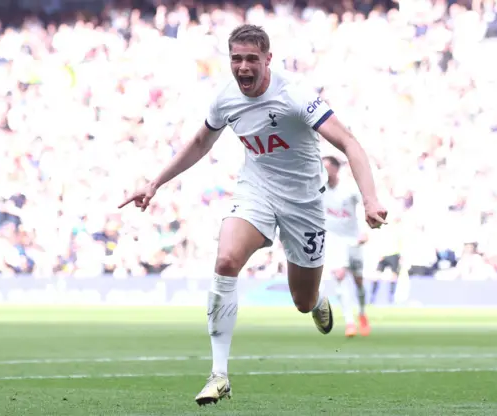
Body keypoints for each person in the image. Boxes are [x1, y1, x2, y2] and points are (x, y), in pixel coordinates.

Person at [118, 24, 387, 406]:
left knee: (302, 300)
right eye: (236, 59)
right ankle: (219, 374)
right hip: (256, 191)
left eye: (251, 59)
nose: (243, 67)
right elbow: (199, 142)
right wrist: (155, 183)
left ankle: (316, 300)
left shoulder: (294, 95)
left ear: (268, 60)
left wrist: (371, 199)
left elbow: (349, 143)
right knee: (226, 260)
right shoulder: (226, 99)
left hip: (304, 203)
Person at [322, 155, 371, 337]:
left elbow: (365, 205)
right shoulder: (318, 189)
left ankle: (362, 313)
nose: (324, 171)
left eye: (327, 168)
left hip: (353, 240)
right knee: (339, 276)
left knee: (358, 282)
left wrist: (365, 230)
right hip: (333, 240)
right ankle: (349, 322)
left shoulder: (349, 189)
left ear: (336, 169)